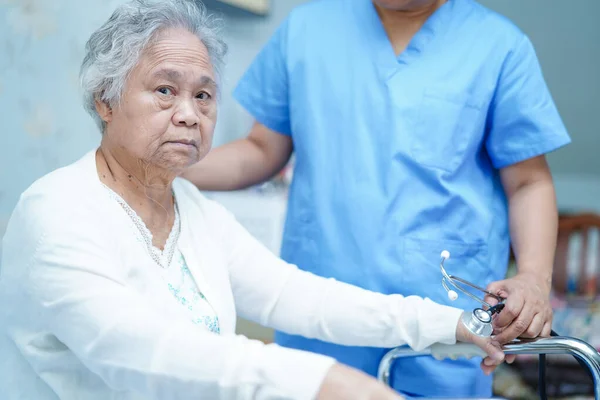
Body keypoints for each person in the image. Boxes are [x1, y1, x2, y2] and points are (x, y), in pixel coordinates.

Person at [0, 0, 506, 399]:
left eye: (203, 95)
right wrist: (322, 381)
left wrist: (447, 322)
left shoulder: (193, 210)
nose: (188, 114)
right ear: (105, 101)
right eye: (163, 90)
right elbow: (137, 350)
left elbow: (294, 295)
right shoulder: (57, 214)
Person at [182, 0, 572, 396]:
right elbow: (262, 149)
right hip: (321, 314)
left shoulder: (498, 46)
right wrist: (163, 165)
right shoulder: (308, 29)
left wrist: (533, 278)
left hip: (444, 322)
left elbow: (528, 182)